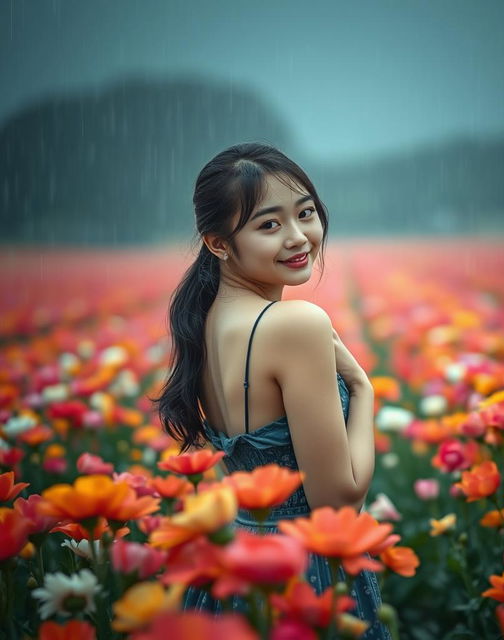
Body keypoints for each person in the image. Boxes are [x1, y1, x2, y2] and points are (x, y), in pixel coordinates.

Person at [155, 142, 390, 638]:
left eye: (305, 213)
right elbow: (338, 504)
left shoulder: (205, 320)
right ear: (218, 244)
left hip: (237, 566)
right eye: (269, 224)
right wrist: (363, 391)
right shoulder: (294, 323)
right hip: (302, 578)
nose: (299, 236)